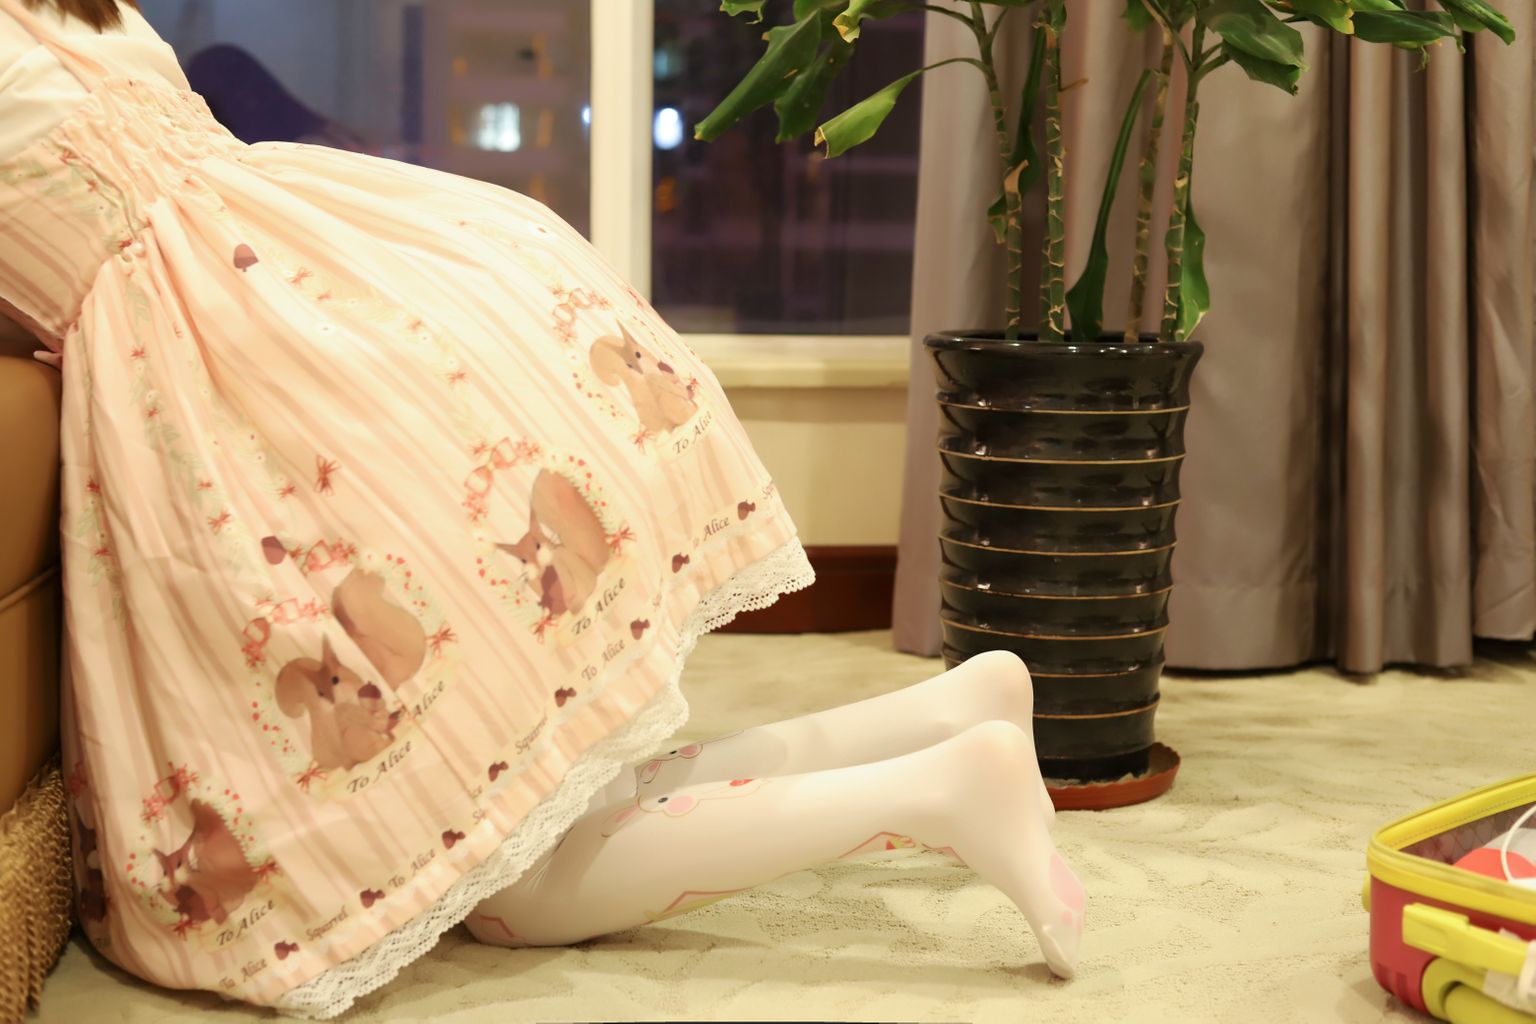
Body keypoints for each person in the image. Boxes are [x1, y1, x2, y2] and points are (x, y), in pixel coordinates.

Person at [0, 0, 1083, 1016]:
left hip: (261, 378)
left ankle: (941, 792)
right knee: (536, 797)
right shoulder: (75, 12)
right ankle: (946, 718)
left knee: (520, 891)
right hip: (352, 298)